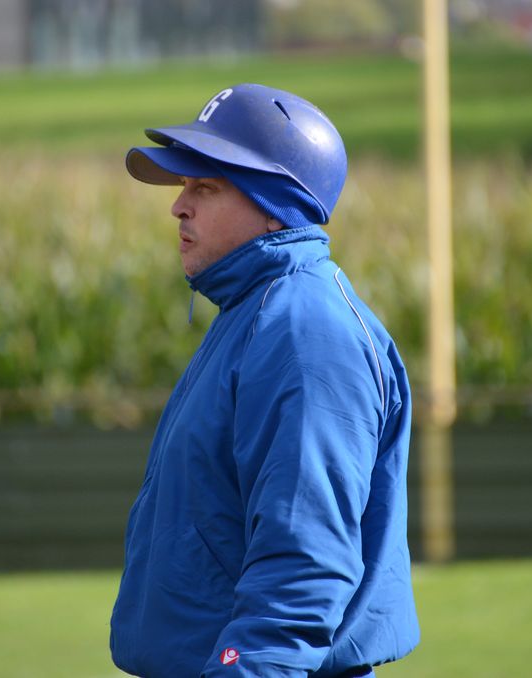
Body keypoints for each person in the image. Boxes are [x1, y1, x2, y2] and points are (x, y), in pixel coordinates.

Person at [110, 84, 419, 678]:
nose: (179, 207)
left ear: (274, 205)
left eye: (205, 187)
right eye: (182, 186)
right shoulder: (257, 310)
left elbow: (304, 565)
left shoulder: (305, 331)